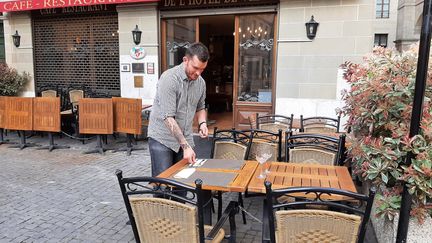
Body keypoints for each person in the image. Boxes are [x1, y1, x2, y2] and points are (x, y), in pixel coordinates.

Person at [148, 42, 210, 177]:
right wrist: (186, 147)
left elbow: (201, 107)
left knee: (182, 183)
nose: (198, 73)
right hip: (162, 139)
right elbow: (168, 118)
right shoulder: (169, 79)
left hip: (185, 137)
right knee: (162, 184)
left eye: (202, 69)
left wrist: (202, 123)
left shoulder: (201, 83)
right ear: (185, 60)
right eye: (195, 68)